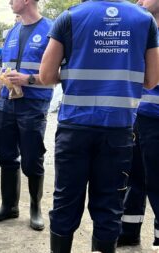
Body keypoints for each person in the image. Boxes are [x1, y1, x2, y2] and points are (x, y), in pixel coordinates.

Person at [39, 0, 159, 252]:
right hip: (118, 130)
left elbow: (46, 76)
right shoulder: (144, 20)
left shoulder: (69, 17)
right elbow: (151, 80)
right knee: (109, 207)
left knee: (65, 202)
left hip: (75, 128)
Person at [0, 0, 54, 232]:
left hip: (33, 106)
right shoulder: (13, 31)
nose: (9, 2)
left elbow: (61, 74)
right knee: (6, 157)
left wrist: (29, 80)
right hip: (6, 105)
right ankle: (9, 206)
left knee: (32, 159)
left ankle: (35, 208)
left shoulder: (51, 30)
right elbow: (3, 71)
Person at [118, 0, 159, 248]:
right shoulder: (141, 31)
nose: (138, 1)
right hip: (137, 116)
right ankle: (129, 230)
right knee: (134, 178)